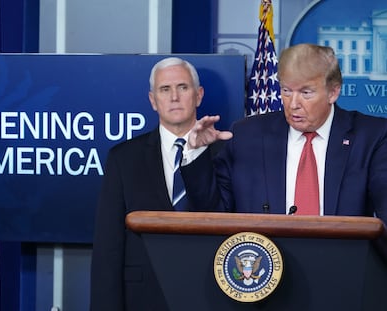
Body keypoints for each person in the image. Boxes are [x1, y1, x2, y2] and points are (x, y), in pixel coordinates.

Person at [182, 43, 387, 225]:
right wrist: (197, 153)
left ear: (333, 92)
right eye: (286, 91)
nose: (293, 104)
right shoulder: (247, 136)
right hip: (263, 264)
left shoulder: (370, 137)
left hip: (343, 262)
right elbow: (213, 215)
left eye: (306, 93)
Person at [90, 57, 224, 311]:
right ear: (153, 100)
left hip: (211, 295)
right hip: (144, 298)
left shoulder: (226, 153)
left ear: (199, 95)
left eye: (183, 87)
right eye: (165, 89)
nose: (174, 97)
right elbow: (108, 248)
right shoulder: (124, 158)